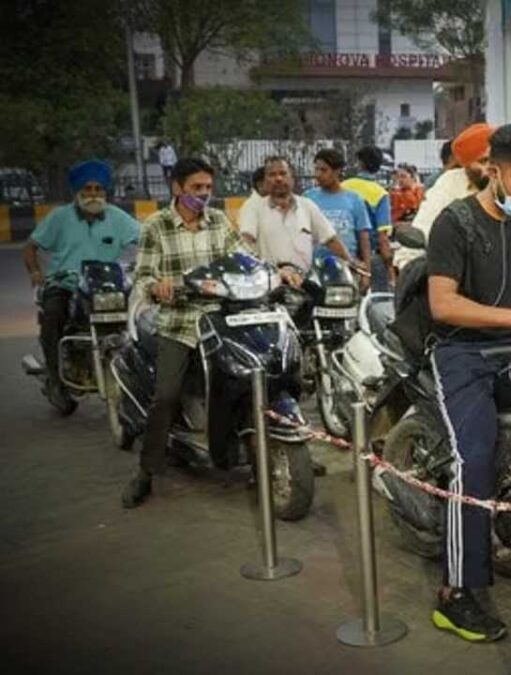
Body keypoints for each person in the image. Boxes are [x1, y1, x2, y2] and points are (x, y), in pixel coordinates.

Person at [424, 124, 511, 642]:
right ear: (493, 170)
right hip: (462, 354)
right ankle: (457, 592)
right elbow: (443, 304)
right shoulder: (454, 223)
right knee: (475, 458)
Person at [122, 157, 242, 508]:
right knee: (167, 395)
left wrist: (273, 271)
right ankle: (146, 472)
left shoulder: (218, 220)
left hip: (220, 318)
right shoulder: (156, 226)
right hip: (178, 322)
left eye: (208, 188)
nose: (204, 195)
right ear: (177, 187)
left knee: (250, 376)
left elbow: (241, 258)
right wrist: (156, 286)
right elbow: (142, 275)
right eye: (196, 188)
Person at [23, 159, 141, 410]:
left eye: (98, 189)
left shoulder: (118, 218)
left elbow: (147, 240)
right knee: (53, 314)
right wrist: (35, 272)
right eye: (87, 189)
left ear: (105, 192)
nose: (93, 194)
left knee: (141, 316)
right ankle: (56, 379)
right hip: (66, 283)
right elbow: (30, 247)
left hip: (106, 285)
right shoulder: (59, 217)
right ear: (78, 192)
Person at [238, 156, 361, 286]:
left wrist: (352, 262)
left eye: (283, 173)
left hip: (304, 283)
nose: (278, 178)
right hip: (269, 283)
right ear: (265, 180)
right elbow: (246, 242)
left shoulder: (307, 206)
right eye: (272, 175)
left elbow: (330, 239)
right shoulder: (253, 207)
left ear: (292, 178)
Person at [412, 123, 492, 237]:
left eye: (496, 160)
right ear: (466, 166)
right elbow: (425, 226)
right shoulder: (450, 183)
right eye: (483, 161)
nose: (492, 167)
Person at [304, 148, 373, 274]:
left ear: (337, 171)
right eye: (316, 169)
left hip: (347, 269)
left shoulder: (354, 199)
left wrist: (367, 272)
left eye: (323, 170)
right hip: (314, 269)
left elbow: (363, 237)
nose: (318, 174)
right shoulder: (308, 198)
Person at [341, 146, 394, 291]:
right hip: (369, 257)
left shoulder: (343, 186)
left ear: (359, 163)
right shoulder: (380, 194)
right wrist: (390, 270)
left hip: (342, 253)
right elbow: (382, 237)